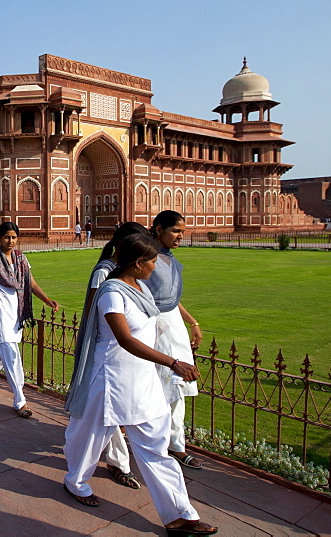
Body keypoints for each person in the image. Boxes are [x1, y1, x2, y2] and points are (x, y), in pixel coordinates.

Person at [62, 234, 217, 536]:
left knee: (156, 448)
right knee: (89, 437)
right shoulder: (111, 294)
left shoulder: (141, 287)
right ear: (137, 263)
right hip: (113, 379)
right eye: (152, 261)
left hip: (144, 381)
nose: (155, 266)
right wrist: (173, 362)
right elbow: (126, 339)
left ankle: (180, 515)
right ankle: (75, 481)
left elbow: (152, 325)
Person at [77, 222, 153, 490]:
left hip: (126, 357)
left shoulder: (125, 273)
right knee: (105, 414)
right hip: (109, 352)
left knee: (110, 414)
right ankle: (113, 465)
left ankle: (115, 462)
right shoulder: (106, 273)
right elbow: (96, 315)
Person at [0, 222, 59, 417]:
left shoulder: (21, 259)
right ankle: (20, 399)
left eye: (13, 237)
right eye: (6, 237)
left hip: (16, 309)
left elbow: (31, 283)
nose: (10, 241)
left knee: (5, 348)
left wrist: (46, 299)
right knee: (11, 352)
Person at [145, 210, 205, 470]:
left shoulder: (167, 257)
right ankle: (157, 443)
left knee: (177, 388)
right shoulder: (146, 258)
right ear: (159, 229)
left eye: (182, 231)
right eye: (176, 231)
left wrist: (193, 322)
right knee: (161, 387)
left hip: (174, 327)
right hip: (156, 328)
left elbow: (171, 299)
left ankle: (176, 444)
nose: (182, 236)